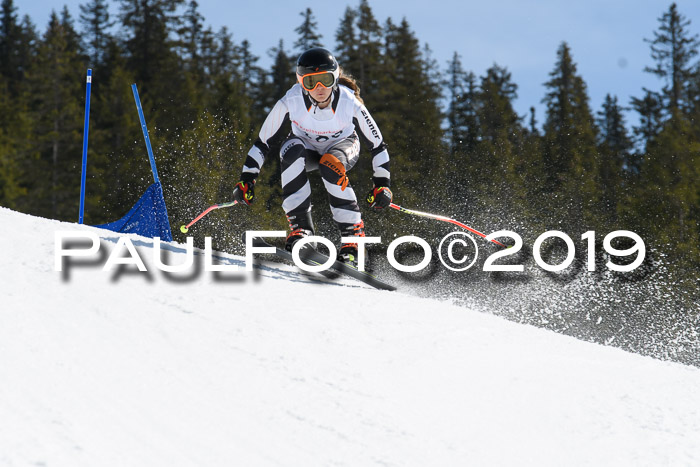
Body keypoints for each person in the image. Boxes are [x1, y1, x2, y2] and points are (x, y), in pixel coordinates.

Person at [232, 47, 393, 266]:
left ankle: (352, 238)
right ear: (301, 82)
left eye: (325, 80)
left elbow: (378, 145)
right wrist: (247, 180)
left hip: (342, 146)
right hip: (305, 148)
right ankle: (302, 231)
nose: (319, 88)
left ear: (335, 77)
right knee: (290, 149)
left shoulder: (349, 102)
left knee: (330, 164)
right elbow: (263, 142)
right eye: (310, 82)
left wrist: (382, 184)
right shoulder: (291, 100)